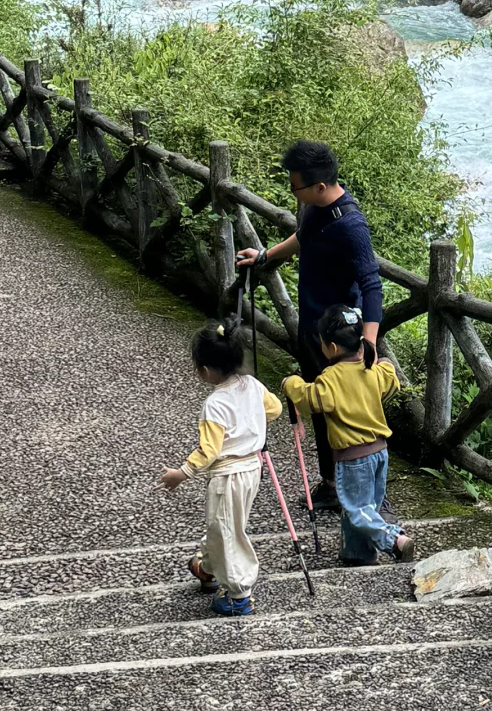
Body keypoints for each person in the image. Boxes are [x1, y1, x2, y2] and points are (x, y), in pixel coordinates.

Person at [236, 140, 383, 513]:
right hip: (313, 329)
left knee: (343, 413)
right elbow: (303, 238)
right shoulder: (316, 209)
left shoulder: (351, 225)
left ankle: (365, 494)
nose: (292, 193)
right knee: (321, 411)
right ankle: (332, 484)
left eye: (294, 187)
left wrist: (368, 343)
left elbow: (372, 284)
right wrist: (265, 255)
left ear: (319, 186)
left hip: (339, 338)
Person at [161, 319, 283, 617]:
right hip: (251, 469)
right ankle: (208, 566)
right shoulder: (253, 385)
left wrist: (181, 473)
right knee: (225, 524)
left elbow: (209, 450)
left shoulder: (214, 404)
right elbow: (275, 408)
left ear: (204, 369)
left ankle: (238, 594)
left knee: (227, 530)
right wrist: (251, 423)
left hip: (227, 475)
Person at [282, 304, 414, 566]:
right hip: (379, 453)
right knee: (365, 507)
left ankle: (394, 539)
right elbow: (390, 379)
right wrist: (386, 363)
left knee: (357, 510)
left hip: (354, 459)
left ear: (330, 347)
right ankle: (357, 554)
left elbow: (311, 399)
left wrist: (291, 383)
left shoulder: (331, 378)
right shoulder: (371, 371)